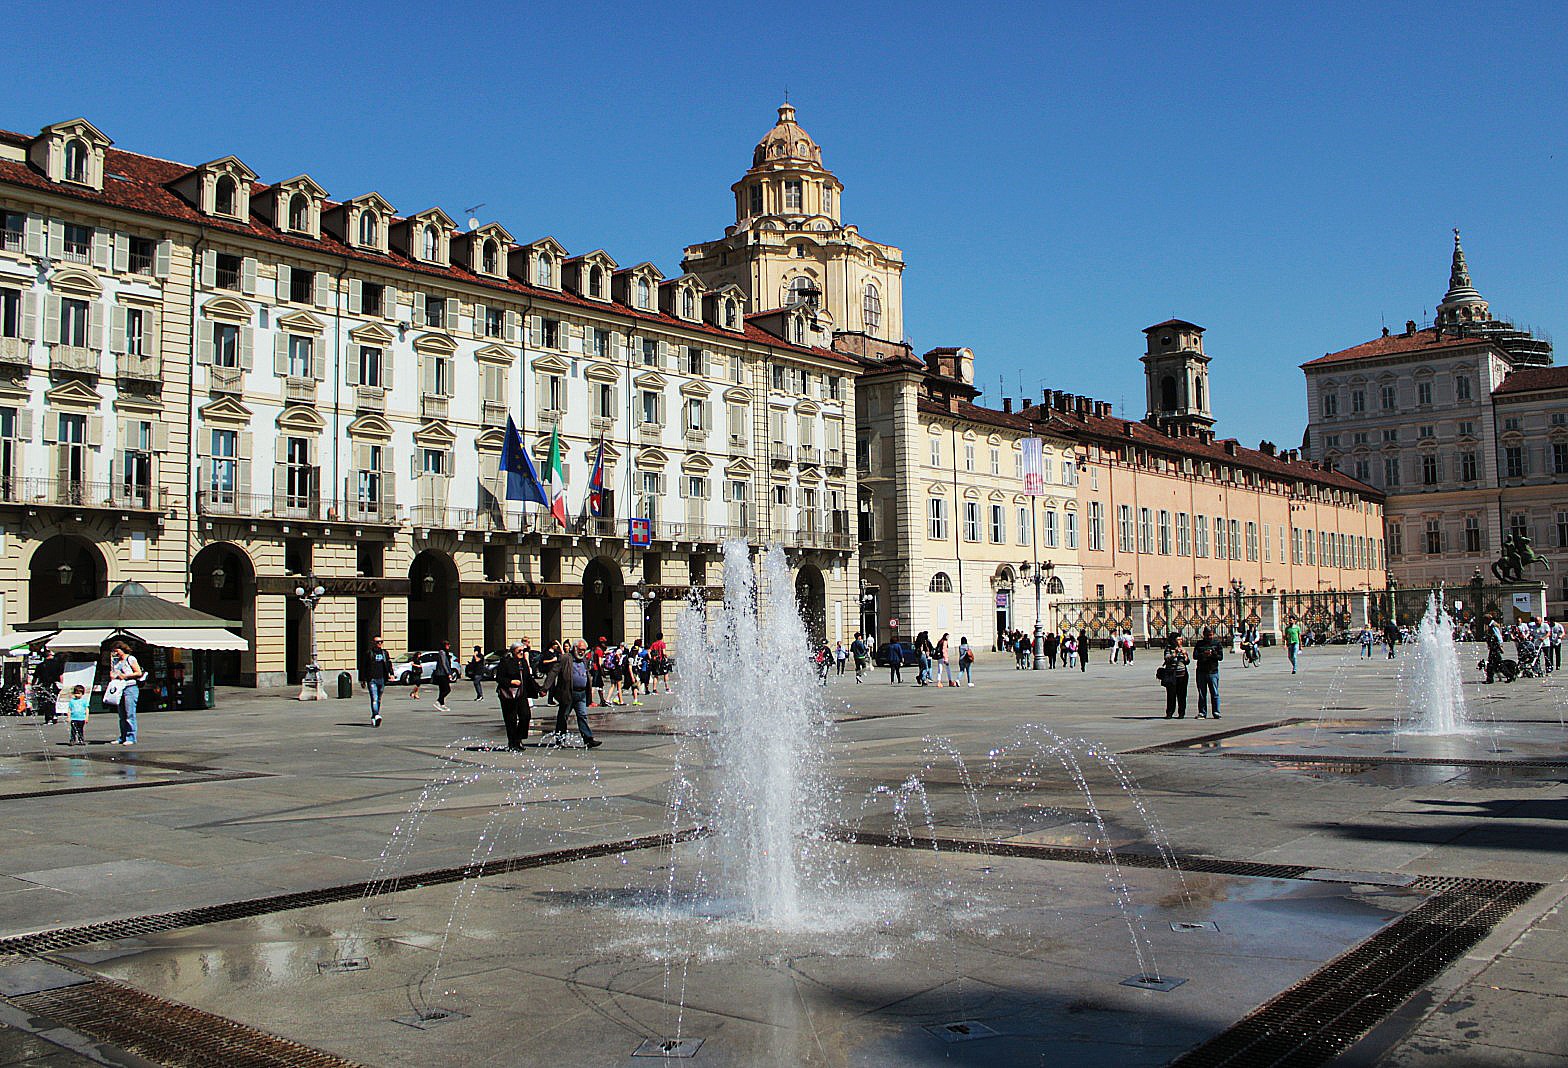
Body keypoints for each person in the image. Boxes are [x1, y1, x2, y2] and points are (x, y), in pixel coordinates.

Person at [554, 639, 601, 748]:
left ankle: (588, 739)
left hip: (581, 694)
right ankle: (560, 740)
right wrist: (544, 688)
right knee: (563, 716)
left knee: (582, 716)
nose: (582, 652)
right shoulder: (566, 658)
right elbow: (553, 672)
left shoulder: (584, 660)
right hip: (569, 693)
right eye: (580, 649)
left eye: (584, 650)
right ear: (574, 648)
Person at [495, 642, 535, 750]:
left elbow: (528, 678)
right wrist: (511, 681)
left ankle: (519, 738)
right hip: (508, 695)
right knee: (511, 719)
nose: (521, 653)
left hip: (521, 693)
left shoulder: (523, 662)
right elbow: (499, 678)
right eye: (519, 651)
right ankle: (512, 743)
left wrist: (540, 689)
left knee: (525, 716)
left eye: (523, 651)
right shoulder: (505, 661)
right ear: (513, 651)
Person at [107, 643, 145, 746]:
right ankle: (122, 736)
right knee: (122, 714)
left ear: (122, 649)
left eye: (117, 651)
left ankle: (131, 737)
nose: (115, 653)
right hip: (119, 687)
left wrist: (126, 676)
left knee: (129, 713)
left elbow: (138, 672)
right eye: (114, 651)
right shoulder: (115, 661)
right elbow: (113, 673)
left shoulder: (130, 659)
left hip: (130, 687)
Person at [360, 635, 395, 727]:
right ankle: (376, 715)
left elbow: (388, 663)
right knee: (374, 698)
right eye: (377, 642)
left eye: (381, 642)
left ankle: (374, 717)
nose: (379, 643)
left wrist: (391, 673)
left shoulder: (384, 653)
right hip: (372, 679)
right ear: (373, 643)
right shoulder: (369, 653)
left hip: (382, 679)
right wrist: (362, 679)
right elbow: (363, 666)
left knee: (379, 699)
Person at [1192, 626, 1224, 719]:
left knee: (1214, 693)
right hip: (1201, 671)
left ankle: (1216, 711)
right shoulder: (1199, 644)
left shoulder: (1217, 643)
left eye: (1210, 635)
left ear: (1213, 634)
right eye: (1207, 635)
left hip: (1212, 671)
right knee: (1202, 693)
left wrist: (1213, 654)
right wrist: (1203, 654)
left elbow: (1220, 657)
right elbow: (1195, 656)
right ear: (1203, 635)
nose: (1209, 637)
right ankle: (1202, 712)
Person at [1159, 636, 1190, 719]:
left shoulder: (1182, 648)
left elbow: (1187, 662)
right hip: (1172, 674)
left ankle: (1181, 712)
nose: (1180, 641)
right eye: (1178, 639)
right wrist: (1175, 653)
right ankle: (1170, 712)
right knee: (1171, 695)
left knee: (1182, 695)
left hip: (1182, 674)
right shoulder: (1168, 649)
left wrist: (1185, 655)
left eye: (1181, 639)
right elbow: (1167, 659)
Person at [433, 640, 455, 712]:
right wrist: (448, 673)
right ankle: (438, 701)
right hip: (442, 674)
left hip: (442, 673)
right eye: (448, 645)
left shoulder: (445, 652)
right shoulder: (442, 652)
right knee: (447, 689)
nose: (449, 646)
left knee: (442, 689)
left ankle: (442, 704)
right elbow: (444, 663)